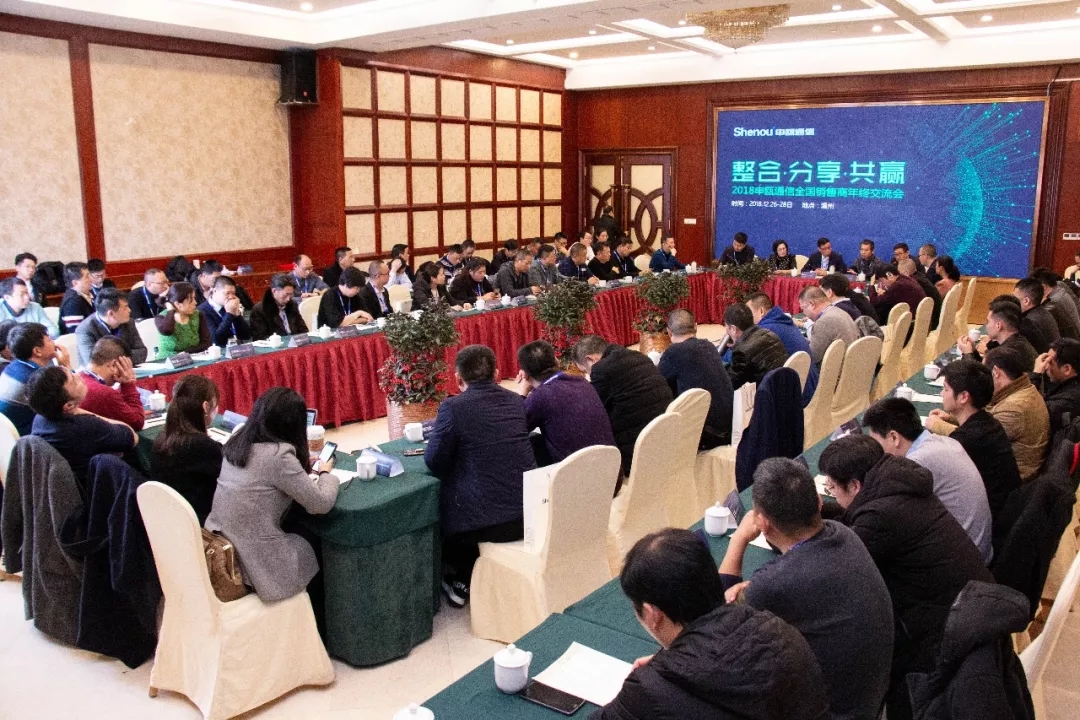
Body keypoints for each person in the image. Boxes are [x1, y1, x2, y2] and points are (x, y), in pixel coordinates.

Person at [818, 435, 993, 720]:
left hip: (944, 634)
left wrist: (799, 527)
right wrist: (823, 510)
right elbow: (859, 518)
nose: (831, 494)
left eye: (832, 488)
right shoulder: (898, 483)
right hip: (971, 609)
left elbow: (838, 561)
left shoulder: (881, 517)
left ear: (855, 485)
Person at [719, 458, 893, 720]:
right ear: (819, 503)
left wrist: (740, 539)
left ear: (763, 523)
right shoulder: (843, 533)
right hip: (871, 700)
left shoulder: (775, 583)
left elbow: (719, 623)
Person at [593, 528, 829, 720]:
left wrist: (644, 685)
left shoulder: (649, 689)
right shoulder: (780, 630)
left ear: (652, 613)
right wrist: (667, 662)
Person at [424, 345, 536, 607]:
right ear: (497, 374)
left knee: (450, 497)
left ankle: (462, 577)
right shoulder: (515, 401)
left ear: (457, 379)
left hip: (484, 526)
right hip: (529, 514)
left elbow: (434, 461)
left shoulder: (453, 407)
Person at [206, 387, 339, 604]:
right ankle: (318, 615)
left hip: (223, 545)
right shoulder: (279, 456)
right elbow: (321, 504)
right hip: (255, 562)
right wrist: (325, 473)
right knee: (317, 539)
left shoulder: (237, 443)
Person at [863, 397, 993, 563]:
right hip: (976, 549)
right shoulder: (942, 441)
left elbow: (886, 511)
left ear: (894, 437)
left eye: (876, 444)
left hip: (964, 561)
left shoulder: (916, 463)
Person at [925, 359, 1021, 523]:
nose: (942, 394)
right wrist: (951, 418)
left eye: (946, 389)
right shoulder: (989, 422)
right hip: (1005, 510)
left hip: (989, 520)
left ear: (964, 397)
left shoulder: (964, 442)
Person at [573, 335, 673, 481]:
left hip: (637, 452)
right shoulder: (639, 356)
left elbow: (593, 409)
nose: (589, 376)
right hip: (666, 437)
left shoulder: (602, 369)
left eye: (585, 371)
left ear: (591, 359)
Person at [27, 365, 137, 488]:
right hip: (95, 492)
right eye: (74, 381)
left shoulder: (40, 419)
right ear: (68, 406)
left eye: (72, 372)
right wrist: (78, 411)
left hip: (59, 488)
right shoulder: (85, 426)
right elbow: (132, 437)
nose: (78, 376)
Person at [514, 340, 615, 466]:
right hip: (613, 469)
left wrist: (522, 393)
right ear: (557, 361)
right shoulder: (582, 382)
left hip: (579, 475)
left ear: (525, 374)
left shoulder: (539, 397)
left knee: (531, 441)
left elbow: (514, 428)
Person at [151, 375, 223, 524]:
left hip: (167, 517)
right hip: (199, 522)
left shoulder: (162, 437)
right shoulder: (202, 446)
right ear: (206, 406)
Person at [657, 309, 733, 449]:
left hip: (709, 433)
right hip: (730, 424)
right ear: (696, 327)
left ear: (669, 332)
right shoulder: (709, 346)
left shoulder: (672, 353)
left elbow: (660, 386)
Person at [983, 346, 1050, 481]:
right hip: (1017, 469)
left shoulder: (1014, 408)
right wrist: (951, 418)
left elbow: (977, 440)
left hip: (1011, 480)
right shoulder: (1025, 389)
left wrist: (940, 425)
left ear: (995, 372)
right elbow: (984, 421)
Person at [0, 323, 70, 435]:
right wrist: (66, 366)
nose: (54, 342)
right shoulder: (37, 378)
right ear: (37, 351)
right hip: (26, 434)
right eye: (49, 340)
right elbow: (70, 399)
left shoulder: (13, 366)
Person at [76, 337, 145, 430]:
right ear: (113, 365)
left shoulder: (78, 379)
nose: (128, 371)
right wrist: (129, 383)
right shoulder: (104, 393)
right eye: (126, 366)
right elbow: (137, 422)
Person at [958, 296, 1037, 370]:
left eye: (988, 321)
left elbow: (974, 378)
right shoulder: (1020, 342)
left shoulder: (1002, 354)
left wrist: (967, 353)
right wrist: (973, 351)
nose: (986, 325)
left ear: (998, 325)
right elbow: (984, 370)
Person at [74, 288, 148, 367]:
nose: (129, 310)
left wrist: (112, 359)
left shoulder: (129, 322)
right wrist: (124, 358)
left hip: (129, 370)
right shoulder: (85, 329)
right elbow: (94, 363)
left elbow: (142, 352)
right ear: (111, 314)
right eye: (125, 307)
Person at [722, 303, 787, 390]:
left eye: (726, 326)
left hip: (767, 394)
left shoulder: (741, 352)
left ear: (733, 329)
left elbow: (730, 385)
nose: (726, 330)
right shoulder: (769, 333)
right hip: (784, 386)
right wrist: (737, 344)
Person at [1031, 337, 1080, 438]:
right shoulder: (1068, 386)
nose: (1045, 367)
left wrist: (1036, 375)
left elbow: (1031, 415)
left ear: (1066, 369)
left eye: (1050, 362)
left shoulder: (1066, 402)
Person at [798, 285, 859, 365]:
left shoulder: (824, 321)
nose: (804, 313)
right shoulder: (839, 311)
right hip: (850, 364)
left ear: (812, 304)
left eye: (803, 309)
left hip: (834, 369)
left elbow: (812, 357)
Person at [154, 282, 211, 358]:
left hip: (193, 357)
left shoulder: (198, 315)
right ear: (178, 304)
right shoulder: (160, 317)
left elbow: (206, 343)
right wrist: (171, 310)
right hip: (167, 360)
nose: (195, 302)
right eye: (191, 299)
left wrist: (186, 353)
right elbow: (167, 331)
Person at [249, 274, 308, 340]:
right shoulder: (259, 310)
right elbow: (260, 337)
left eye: (291, 294)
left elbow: (303, 329)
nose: (288, 299)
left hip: (295, 341)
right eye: (285, 295)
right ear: (274, 291)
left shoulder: (292, 304)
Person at [198, 277, 252, 347]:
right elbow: (216, 340)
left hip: (237, 348)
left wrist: (238, 315)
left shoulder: (230, 307)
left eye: (233, 293)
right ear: (215, 291)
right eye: (227, 293)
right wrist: (229, 314)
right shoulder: (202, 311)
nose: (231, 297)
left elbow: (246, 335)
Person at [1012, 277, 1059, 354]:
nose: (1011, 302)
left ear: (1026, 301)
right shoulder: (1041, 312)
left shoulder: (1030, 323)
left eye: (1014, 298)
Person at [1032, 267, 1080, 340]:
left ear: (1043, 286)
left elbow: (1035, 318)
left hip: (1072, 343)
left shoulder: (1054, 302)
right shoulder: (1060, 286)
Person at [898, 258, 942, 330]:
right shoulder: (920, 277)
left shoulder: (913, 282)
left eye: (900, 274)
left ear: (906, 273)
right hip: (936, 316)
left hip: (930, 322)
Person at [59, 261, 94, 334]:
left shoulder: (88, 294)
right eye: (87, 276)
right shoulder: (72, 303)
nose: (91, 279)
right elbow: (77, 333)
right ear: (75, 283)